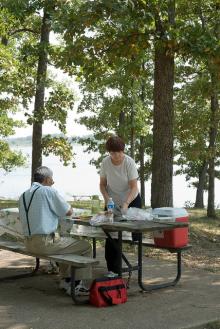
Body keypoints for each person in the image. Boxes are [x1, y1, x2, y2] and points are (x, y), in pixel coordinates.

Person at [19, 166, 91, 296]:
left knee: (64, 243)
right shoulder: (47, 191)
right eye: (52, 178)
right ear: (47, 179)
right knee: (85, 246)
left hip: (28, 243)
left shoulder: (24, 195)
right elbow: (68, 211)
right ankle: (76, 285)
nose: (53, 181)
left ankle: (66, 280)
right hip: (44, 244)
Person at [99, 135, 142, 275]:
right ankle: (113, 270)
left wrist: (126, 204)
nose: (116, 156)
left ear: (123, 151)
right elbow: (102, 185)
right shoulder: (105, 162)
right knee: (111, 236)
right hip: (112, 201)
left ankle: (137, 264)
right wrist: (107, 199)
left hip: (131, 199)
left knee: (135, 234)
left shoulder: (129, 162)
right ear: (109, 152)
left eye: (119, 152)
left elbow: (134, 187)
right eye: (112, 153)